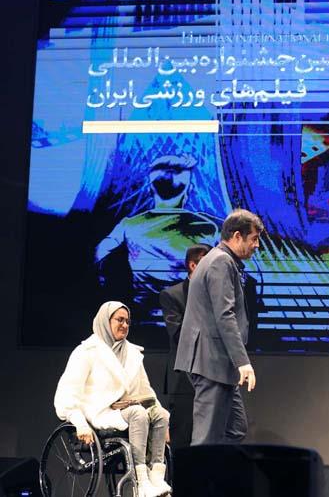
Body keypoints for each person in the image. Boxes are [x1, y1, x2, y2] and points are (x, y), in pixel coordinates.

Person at [54, 301, 172, 497]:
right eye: (120, 320)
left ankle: (157, 478)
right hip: (99, 413)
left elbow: (146, 390)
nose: (124, 325)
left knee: (160, 414)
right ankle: (141, 482)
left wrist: (163, 423)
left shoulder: (132, 353)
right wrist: (80, 424)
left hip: (125, 412)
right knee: (138, 414)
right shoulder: (86, 352)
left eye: (128, 321)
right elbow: (67, 393)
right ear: (105, 321)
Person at [95, 154, 220, 328]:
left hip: (142, 322)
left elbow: (96, 255)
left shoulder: (129, 225)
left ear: (150, 189)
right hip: (190, 324)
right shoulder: (209, 228)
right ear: (189, 189)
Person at [174, 209, 263, 445]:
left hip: (218, 363)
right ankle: (200, 471)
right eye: (254, 239)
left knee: (235, 428)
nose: (257, 245)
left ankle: (217, 468)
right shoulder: (220, 262)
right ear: (237, 236)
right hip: (210, 361)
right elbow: (225, 314)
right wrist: (242, 362)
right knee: (205, 438)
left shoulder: (220, 260)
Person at [159, 243, 211, 449]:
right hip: (184, 376)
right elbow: (179, 335)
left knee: (212, 437)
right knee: (183, 436)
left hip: (213, 375)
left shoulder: (218, 295)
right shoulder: (172, 295)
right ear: (193, 265)